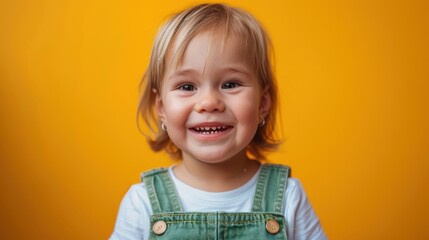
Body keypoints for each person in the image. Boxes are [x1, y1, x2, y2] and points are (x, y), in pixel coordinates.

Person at [111, 3, 327, 239]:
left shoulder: (288, 197)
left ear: (262, 104)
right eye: (187, 86)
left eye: (230, 84)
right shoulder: (142, 204)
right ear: (161, 108)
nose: (208, 102)